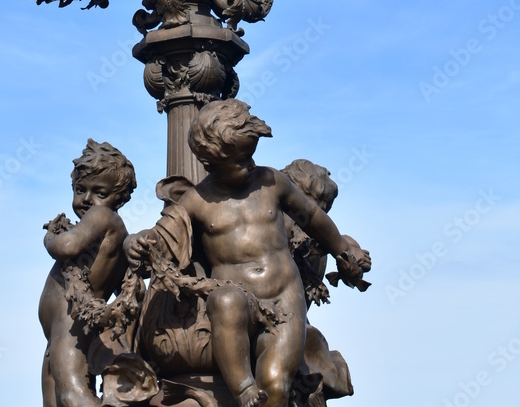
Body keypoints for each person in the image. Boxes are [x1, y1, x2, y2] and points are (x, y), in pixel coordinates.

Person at [125, 100, 370, 407]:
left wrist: (343, 252)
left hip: (284, 299)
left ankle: (265, 390)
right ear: (210, 161)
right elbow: (162, 237)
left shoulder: (271, 182)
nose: (250, 165)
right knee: (225, 300)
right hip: (237, 298)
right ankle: (242, 388)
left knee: (276, 383)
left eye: (250, 156)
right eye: (240, 161)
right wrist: (134, 242)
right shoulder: (197, 200)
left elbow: (313, 217)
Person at [39, 140, 136, 407]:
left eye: (99, 192)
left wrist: (50, 236)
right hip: (61, 330)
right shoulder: (110, 233)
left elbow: (66, 246)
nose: (86, 200)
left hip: (73, 322)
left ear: (119, 197)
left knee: (73, 394)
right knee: (55, 399)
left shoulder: (101, 217)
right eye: (80, 190)